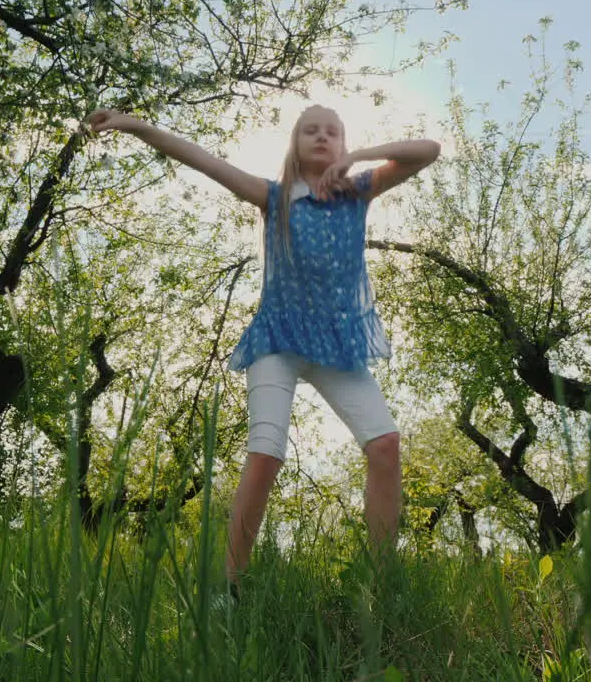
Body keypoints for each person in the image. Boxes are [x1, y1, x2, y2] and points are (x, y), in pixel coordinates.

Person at [85, 105, 440, 597]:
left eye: (332, 132)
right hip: (278, 341)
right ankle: (232, 586)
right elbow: (201, 159)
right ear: (294, 144)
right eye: (310, 130)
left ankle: (379, 583)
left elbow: (429, 151)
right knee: (266, 452)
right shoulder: (273, 197)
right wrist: (137, 125)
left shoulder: (359, 191)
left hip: (337, 345)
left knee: (385, 445)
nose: (322, 137)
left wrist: (359, 156)